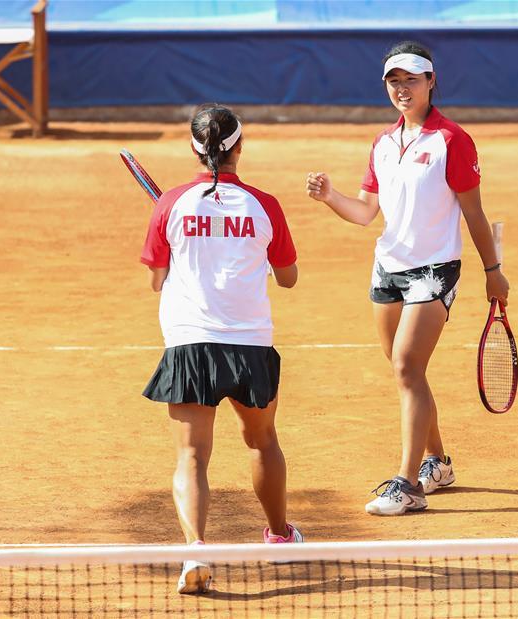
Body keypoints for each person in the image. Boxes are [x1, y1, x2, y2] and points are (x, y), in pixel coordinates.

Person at [306, 41, 510, 516]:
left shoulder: (452, 140)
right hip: (388, 267)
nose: (402, 88)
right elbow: (365, 212)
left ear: (431, 81)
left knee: (405, 368)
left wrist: (493, 272)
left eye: (411, 79)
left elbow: (474, 213)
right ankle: (437, 464)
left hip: (436, 269)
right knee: (407, 372)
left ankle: (409, 485)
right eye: (394, 81)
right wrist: (330, 196)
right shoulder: (382, 142)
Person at [141, 104, 303, 593]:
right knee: (263, 441)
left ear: (194, 147)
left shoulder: (170, 203)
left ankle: (195, 551)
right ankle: (279, 536)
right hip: (249, 345)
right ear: (239, 148)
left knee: (192, 457)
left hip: (190, 344)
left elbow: (155, 280)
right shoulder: (264, 205)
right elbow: (289, 278)